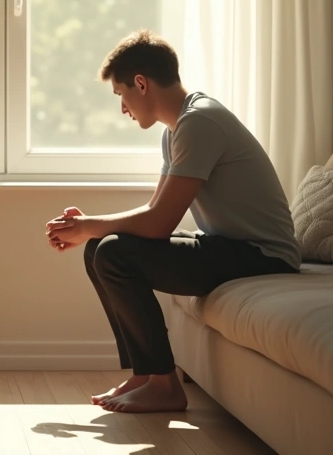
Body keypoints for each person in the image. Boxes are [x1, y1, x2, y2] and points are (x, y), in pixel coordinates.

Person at [45, 30, 300, 414]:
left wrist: (89, 224)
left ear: (141, 83)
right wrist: (90, 228)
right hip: (229, 246)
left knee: (112, 252)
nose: (123, 108)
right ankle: (146, 375)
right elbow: (156, 211)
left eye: (121, 94)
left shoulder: (200, 122)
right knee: (100, 248)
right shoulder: (176, 130)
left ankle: (165, 385)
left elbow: (158, 224)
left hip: (263, 256)